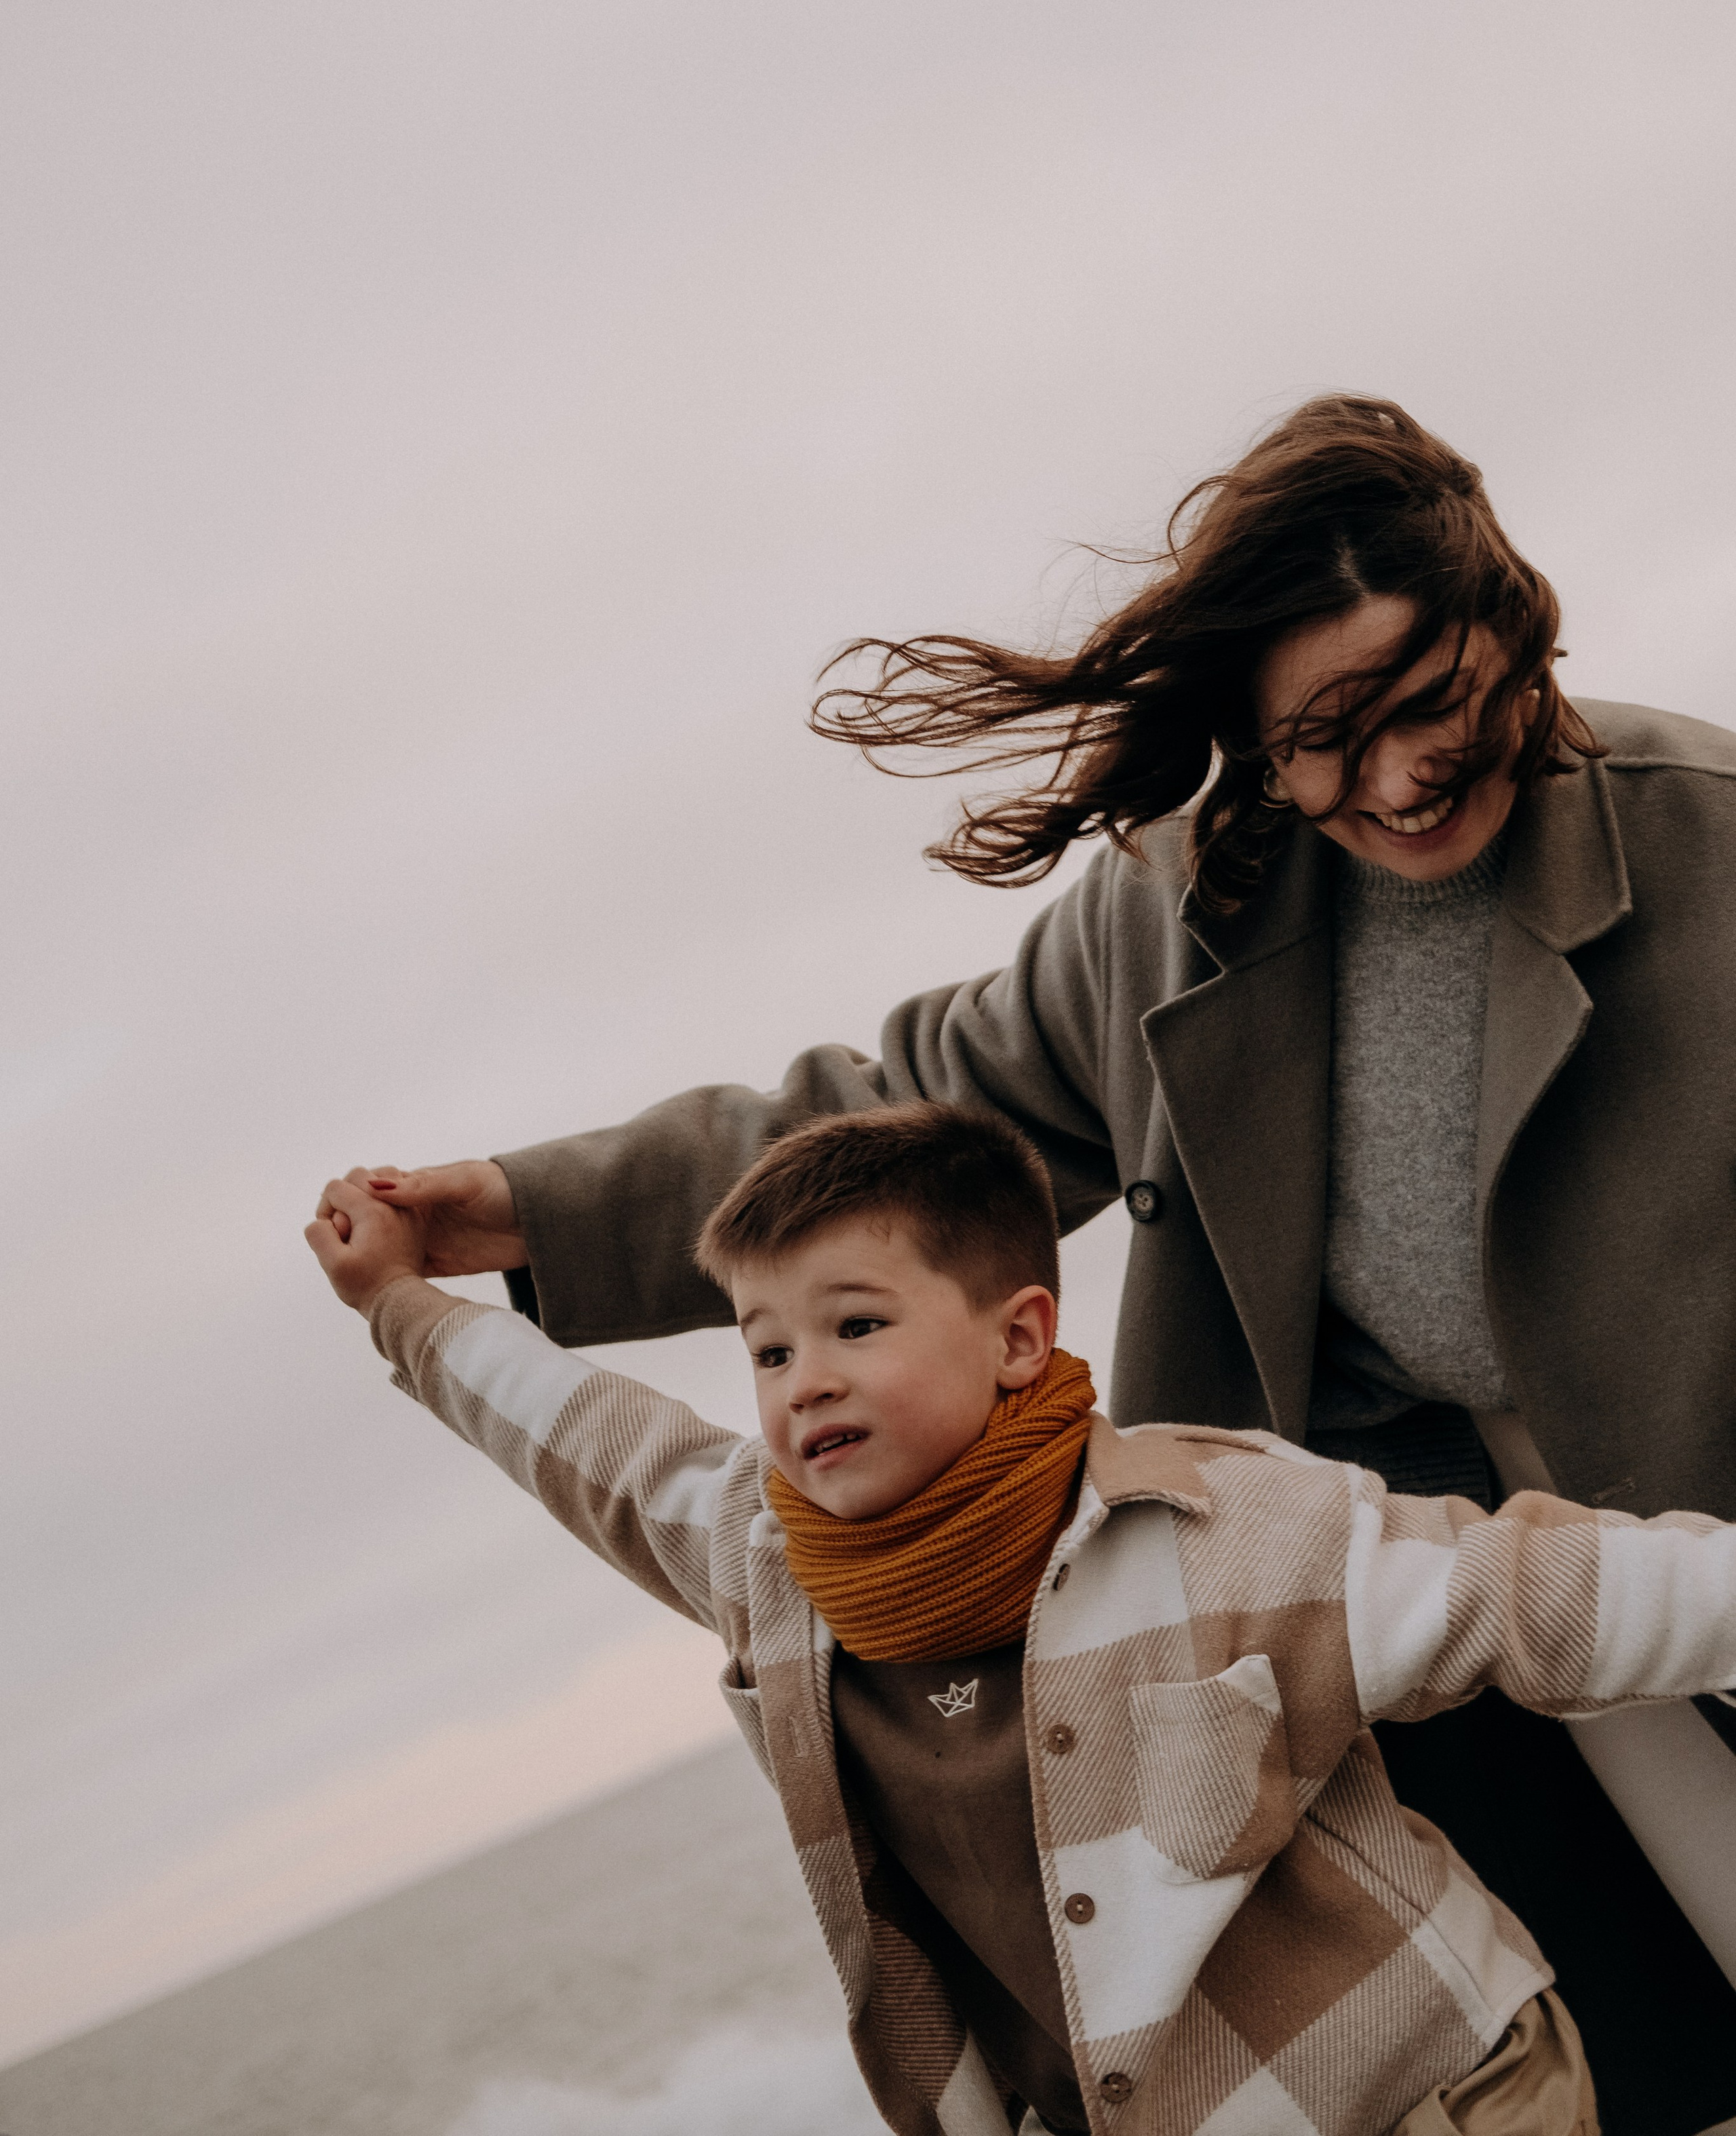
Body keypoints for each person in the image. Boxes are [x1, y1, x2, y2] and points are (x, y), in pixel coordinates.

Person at [328, 395, 1736, 2133]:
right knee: (1602, 2053)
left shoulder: (1706, 833)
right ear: (1248, 738)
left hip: (1680, 1523)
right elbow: (895, 1120)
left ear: (1508, 623)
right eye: (1323, 737)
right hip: (1389, 1589)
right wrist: (533, 1212)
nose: (1391, 780)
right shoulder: (1173, 912)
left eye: (1429, 703)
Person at [313, 1099, 1736, 2131]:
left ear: (1017, 1337)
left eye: (856, 1325)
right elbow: (590, 1439)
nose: (806, 1379)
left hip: (1433, 2099)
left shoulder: (1220, 1523)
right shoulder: (764, 1557)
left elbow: (1534, 1593)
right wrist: (400, 1307)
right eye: (769, 1349)